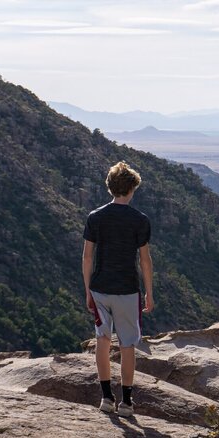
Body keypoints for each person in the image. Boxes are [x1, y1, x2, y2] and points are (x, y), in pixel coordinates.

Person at [82, 161, 154, 417]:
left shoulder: (95, 217)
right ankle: (126, 402)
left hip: (100, 288)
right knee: (127, 345)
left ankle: (105, 398)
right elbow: (144, 260)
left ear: (110, 188)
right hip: (127, 290)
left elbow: (87, 257)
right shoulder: (140, 220)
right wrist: (149, 293)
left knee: (102, 339)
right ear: (132, 188)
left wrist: (88, 290)